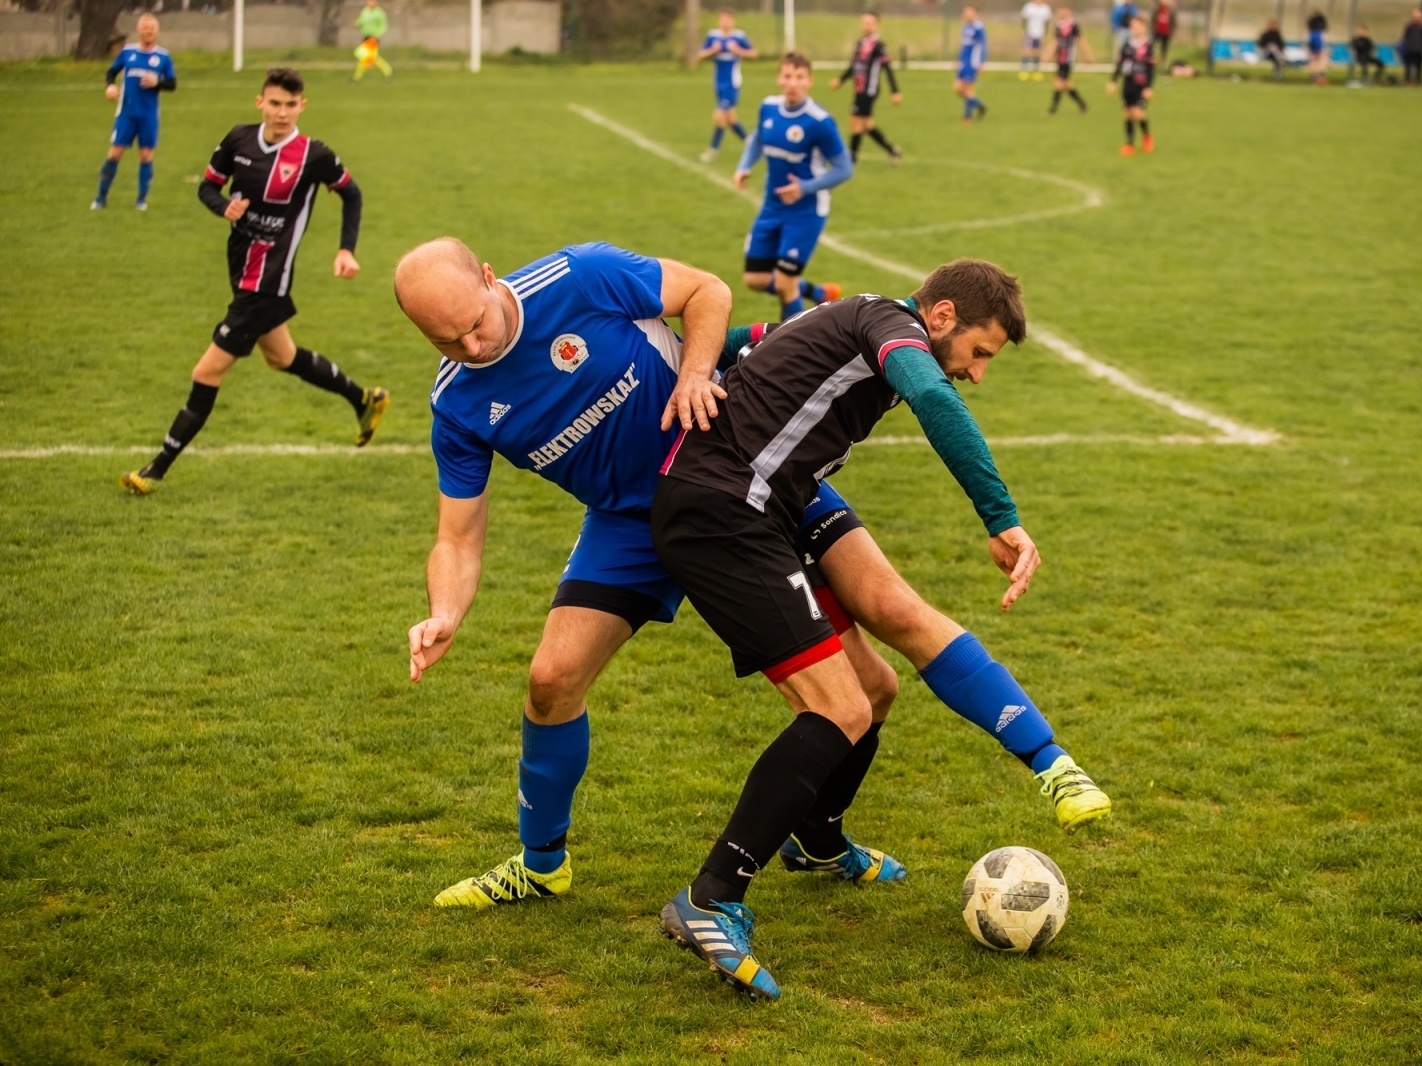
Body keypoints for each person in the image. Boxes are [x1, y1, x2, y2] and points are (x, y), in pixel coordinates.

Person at [395, 240, 1111, 915]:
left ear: (491, 278)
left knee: (884, 638)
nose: (472, 348)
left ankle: (828, 839)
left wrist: (697, 373)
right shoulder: (457, 402)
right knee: (551, 682)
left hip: (746, 464)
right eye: (445, 342)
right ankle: (541, 864)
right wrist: (445, 612)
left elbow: (705, 291)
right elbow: (457, 537)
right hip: (630, 521)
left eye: (474, 327)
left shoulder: (577, 277)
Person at [652, 261, 1107, 1000]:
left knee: (876, 682)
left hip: (780, 497)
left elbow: (744, 338)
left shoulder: (855, 315)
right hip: (724, 507)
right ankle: (710, 896)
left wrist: (696, 365)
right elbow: (931, 394)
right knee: (840, 708)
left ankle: (823, 839)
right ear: (942, 316)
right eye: (980, 353)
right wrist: (1002, 517)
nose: (979, 374)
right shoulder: (893, 331)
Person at [120, 68, 386, 496]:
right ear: (259, 102)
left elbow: (351, 193)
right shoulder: (238, 140)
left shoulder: (312, 155)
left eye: (291, 104)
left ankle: (155, 469)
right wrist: (222, 207)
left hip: (266, 281)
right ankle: (363, 399)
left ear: (303, 106)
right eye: (275, 103)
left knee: (206, 372)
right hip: (240, 268)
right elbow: (207, 187)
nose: (283, 113)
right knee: (282, 357)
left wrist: (345, 249)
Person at [733, 53, 851, 321]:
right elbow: (757, 140)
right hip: (772, 206)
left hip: (806, 211)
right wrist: (744, 166)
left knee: (786, 284)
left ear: (809, 81)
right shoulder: (769, 107)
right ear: (779, 78)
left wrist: (805, 188)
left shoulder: (819, 122)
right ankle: (816, 292)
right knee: (755, 279)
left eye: (799, 77)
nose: (793, 83)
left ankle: (793, 348)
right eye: (787, 76)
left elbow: (845, 168)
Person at [93, 14, 174, 211]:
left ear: (157, 31)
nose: (148, 31)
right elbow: (111, 72)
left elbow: (172, 84)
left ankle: (141, 200)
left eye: (152, 28)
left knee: (146, 156)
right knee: (114, 154)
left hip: (148, 116)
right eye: (145, 28)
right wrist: (110, 86)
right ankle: (100, 198)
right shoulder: (127, 53)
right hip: (126, 114)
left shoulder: (163, 56)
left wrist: (157, 83)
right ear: (139, 30)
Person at [830, 11, 902, 164]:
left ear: (876, 25)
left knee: (855, 122)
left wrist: (895, 91)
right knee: (867, 125)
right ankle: (893, 150)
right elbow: (854, 67)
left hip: (869, 90)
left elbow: (888, 68)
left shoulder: (879, 46)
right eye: (864, 22)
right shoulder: (860, 44)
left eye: (870, 23)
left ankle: (851, 160)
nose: (866, 25)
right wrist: (841, 80)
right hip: (859, 89)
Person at [696, 9, 757, 162]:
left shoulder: (739, 36)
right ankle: (751, 142)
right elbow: (700, 55)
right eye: (723, 19)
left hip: (732, 83)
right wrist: (712, 50)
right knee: (730, 119)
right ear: (719, 21)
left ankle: (712, 150)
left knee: (719, 117)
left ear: (733, 22)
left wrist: (737, 50)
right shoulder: (713, 36)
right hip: (718, 82)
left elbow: (753, 54)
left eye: (729, 19)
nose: (726, 22)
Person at [1108, 14, 1156, 155]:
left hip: (1141, 84)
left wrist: (1149, 87)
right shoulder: (1127, 45)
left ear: (1144, 28)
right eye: (1133, 27)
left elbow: (1151, 68)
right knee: (1128, 113)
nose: (1135, 29)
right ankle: (1129, 144)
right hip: (1128, 82)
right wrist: (1113, 81)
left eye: (1138, 26)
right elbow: (1119, 64)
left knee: (1138, 113)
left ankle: (1147, 136)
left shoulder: (1148, 46)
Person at [1048, 4, 1094, 114]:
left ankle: (1052, 110)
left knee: (1058, 83)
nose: (1061, 14)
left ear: (1069, 12)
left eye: (1063, 11)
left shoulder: (1073, 26)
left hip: (1067, 59)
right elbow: (1056, 42)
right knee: (1066, 84)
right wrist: (1048, 54)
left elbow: (1081, 41)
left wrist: (1087, 56)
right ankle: (1082, 104)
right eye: (1060, 11)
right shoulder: (1059, 26)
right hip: (1060, 59)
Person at [954, 6, 989, 121]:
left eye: (970, 13)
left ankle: (967, 116)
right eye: (966, 13)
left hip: (972, 62)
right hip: (964, 61)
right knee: (958, 88)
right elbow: (964, 46)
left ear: (975, 14)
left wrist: (981, 63)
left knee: (967, 89)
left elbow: (983, 46)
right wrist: (958, 60)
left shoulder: (978, 28)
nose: (967, 15)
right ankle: (979, 105)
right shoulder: (965, 27)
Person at [351, 0, 394, 82]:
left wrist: (377, 34)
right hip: (366, 36)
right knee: (368, 57)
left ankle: (356, 77)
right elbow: (362, 21)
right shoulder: (365, 11)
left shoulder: (379, 12)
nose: (370, 3)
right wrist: (356, 23)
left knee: (366, 56)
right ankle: (388, 71)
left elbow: (383, 25)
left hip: (374, 37)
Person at [1020, 0, 1055, 79]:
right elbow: (1024, 20)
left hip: (1039, 34)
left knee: (1037, 52)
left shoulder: (1045, 8)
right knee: (1027, 51)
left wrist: (1044, 34)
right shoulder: (1029, 6)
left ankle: (1036, 71)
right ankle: (1024, 70)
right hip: (1029, 34)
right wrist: (1026, 32)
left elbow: (1047, 22)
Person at [1401, 8, 1422, 85]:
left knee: (1419, 67)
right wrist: (1407, 46)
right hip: (1410, 49)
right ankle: (1408, 80)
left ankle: (1418, 81)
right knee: (1408, 66)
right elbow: (1406, 37)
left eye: (1419, 16)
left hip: (1419, 50)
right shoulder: (1409, 26)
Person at [1307, 9, 1329, 84]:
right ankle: (1320, 76)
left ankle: (1315, 76)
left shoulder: (1311, 22)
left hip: (1313, 38)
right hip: (1317, 37)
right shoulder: (1320, 22)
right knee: (1322, 56)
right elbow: (1325, 28)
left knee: (1314, 58)